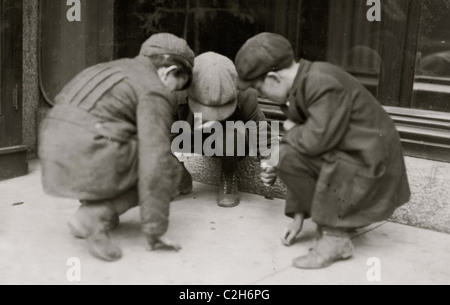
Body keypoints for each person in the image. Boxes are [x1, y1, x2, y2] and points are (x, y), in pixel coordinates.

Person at [234, 33, 411, 269]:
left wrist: (290, 130)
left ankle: (336, 239)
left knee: (291, 152)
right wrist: (297, 219)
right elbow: (301, 148)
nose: (262, 95)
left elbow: (316, 142)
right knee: (288, 155)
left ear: (273, 78)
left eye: (260, 89)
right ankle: (337, 225)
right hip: (358, 158)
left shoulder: (320, 82)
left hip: (374, 167)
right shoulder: (303, 85)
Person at [39, 33, 195, 262]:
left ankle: (95, 207)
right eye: (175, 87)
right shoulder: (153, 88)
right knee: (167, 165)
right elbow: (155, 161)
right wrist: (155, 231)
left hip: (52, 153)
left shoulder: (112, 68)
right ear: (168, 71)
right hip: (88, 150)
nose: (171, 93)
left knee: (121, 138)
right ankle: (93, 215)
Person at [172, 52, 278, 208]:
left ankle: (228, 176)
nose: (213, 116)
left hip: (229, 143)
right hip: (191, 138)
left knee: (233, 134)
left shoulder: (245, 94)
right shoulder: (175, 92)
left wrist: (269, 164)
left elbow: (264, 136)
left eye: (220, 108)